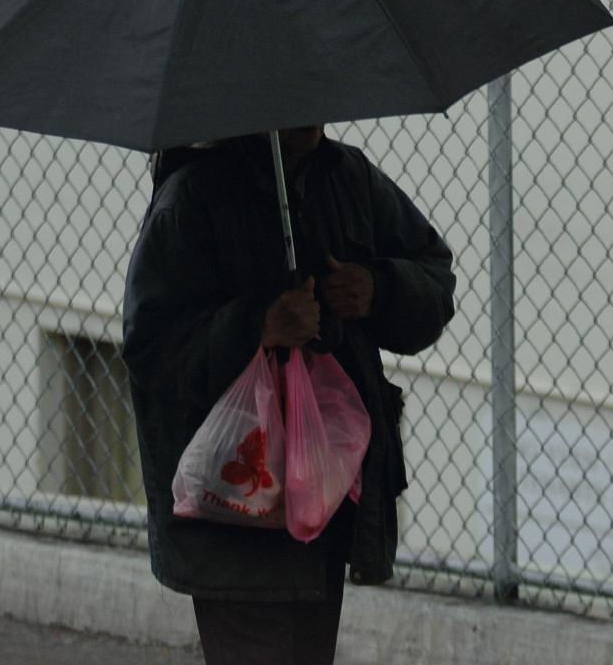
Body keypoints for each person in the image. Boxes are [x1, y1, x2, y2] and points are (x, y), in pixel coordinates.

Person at [122, 125, 456, 665]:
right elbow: (151, 349)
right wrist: (259, 326)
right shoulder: (192, 197)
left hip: (321, 498)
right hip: (232, 513)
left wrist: (379, 289)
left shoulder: (349, 178)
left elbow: (435, 278)